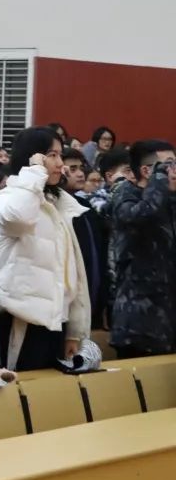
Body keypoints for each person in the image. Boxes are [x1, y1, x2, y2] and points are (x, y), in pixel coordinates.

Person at [0, 127, 90, 371]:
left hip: (55, 322)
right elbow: (18, 217)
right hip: (19, 320)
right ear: (32, 157)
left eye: (60, 155)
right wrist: (34, 172)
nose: (60, 163)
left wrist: (74, 331)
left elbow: (73, 271)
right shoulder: (7, 197)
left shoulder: (59, 204)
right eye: (52, 155)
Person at [108, 140, 176, 358]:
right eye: (168, 165)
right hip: (138, 322)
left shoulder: (169, 201)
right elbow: (141, 216)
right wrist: (160, 182)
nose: (174, 171)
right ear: (147, 171)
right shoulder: (126, 195)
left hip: (168, 318)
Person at [62, 148, 111, 330]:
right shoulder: (53, 207)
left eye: (81, 168)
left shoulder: (84, 205)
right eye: (73, 169)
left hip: (92, 296)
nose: (81, 174)